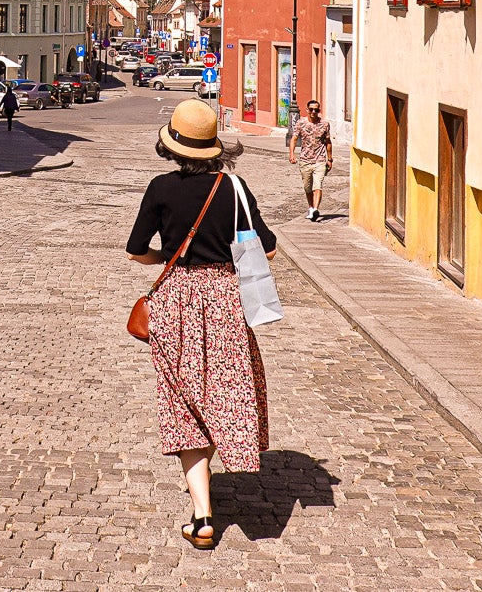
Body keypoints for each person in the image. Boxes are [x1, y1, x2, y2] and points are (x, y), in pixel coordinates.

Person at [126, 99, 274, 550]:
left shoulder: (160, 188)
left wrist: (167, 258)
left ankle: (203, 515)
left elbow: (136, 250)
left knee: (183, 402)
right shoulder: (234, 187)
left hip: (175, 302)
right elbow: (266, 249)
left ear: (172, 146)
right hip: (227, 299)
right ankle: (228, 451)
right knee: (228, 388)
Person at [288, 99, 333, 222]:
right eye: (311, 109)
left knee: (318, 185)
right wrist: (291, 154)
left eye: (316, 110)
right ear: (307, 110)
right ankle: (311, 207)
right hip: (305, 160)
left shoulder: (324, 124)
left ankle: (315, 210)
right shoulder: (300, 123)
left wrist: (330, 159)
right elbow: (294, 138)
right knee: (308, 187)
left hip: (320, 159)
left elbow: (328, 142)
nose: (314, 112)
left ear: (319, 110)